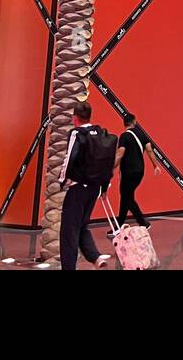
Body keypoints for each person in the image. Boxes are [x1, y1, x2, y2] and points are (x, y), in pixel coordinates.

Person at [58, 103, 116, 270]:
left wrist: (62, 180)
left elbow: (70, 156)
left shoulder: (77, 133)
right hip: (94, 188)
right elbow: (107, 161)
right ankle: (96, 258)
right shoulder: (100, 132)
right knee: (81, 226)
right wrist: (104, 187)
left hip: (78, 188)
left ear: (75, 117)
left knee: (68, 230)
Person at [115, 113, 161, 229]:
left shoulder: (124, 136)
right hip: (139, 171)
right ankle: (118, 225)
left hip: (128, 172)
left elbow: (120, 153)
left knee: (127, 197)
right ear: (134, 121)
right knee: (126, 196)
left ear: (124, 123)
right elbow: (149, 150)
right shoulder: (141, 134)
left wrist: (111, 167)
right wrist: (156, 165)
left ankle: (143, 222)